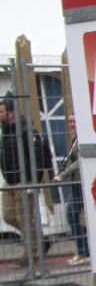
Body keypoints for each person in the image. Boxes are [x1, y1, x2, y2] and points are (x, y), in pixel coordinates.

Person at [0, 94, 53, 266]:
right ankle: (41, 240)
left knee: (24, 218)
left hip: (26, 182)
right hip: (10, 181)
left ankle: (30, 255)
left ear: (11, 113)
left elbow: (37, 158)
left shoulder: (27, 132)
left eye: (1, 111)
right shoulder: (5, 132)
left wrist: (31, 181)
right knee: (8, 216)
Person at [52, 113, 90, 265]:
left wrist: (63, 175)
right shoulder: (74, 140)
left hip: (81, 183)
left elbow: (80, 160)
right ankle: (84, 250)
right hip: (76, 184)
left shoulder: (83, 139)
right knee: (74, 216)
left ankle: (83, 251)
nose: (72, 124)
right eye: (70, 122)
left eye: (75, 121)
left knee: (71, 214)